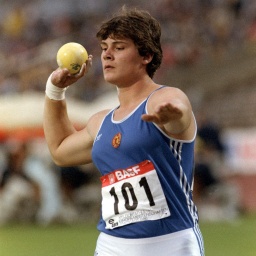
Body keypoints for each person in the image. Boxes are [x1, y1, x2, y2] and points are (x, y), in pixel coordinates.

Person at [43, 6, 204, 256]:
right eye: (104, 47)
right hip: (112, 245)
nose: (107, 55)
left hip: (171, 243)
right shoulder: (100, 122)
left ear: (146, 55)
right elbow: (60, 151)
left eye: (118, 48)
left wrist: (174, 116)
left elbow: (179, 114)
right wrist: (55, 91)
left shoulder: (163, 99)